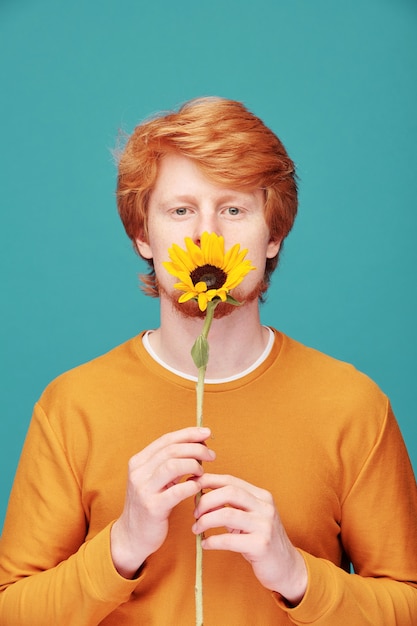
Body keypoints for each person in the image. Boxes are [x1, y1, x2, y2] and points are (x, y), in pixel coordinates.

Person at [0, 97, 416, 625]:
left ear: (274, 235)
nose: (208, 234)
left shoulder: (353, 406)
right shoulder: (72, 406)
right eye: (180, 210)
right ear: (143, 237)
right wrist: (122, 545)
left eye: (235, 209)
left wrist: (297, 576)